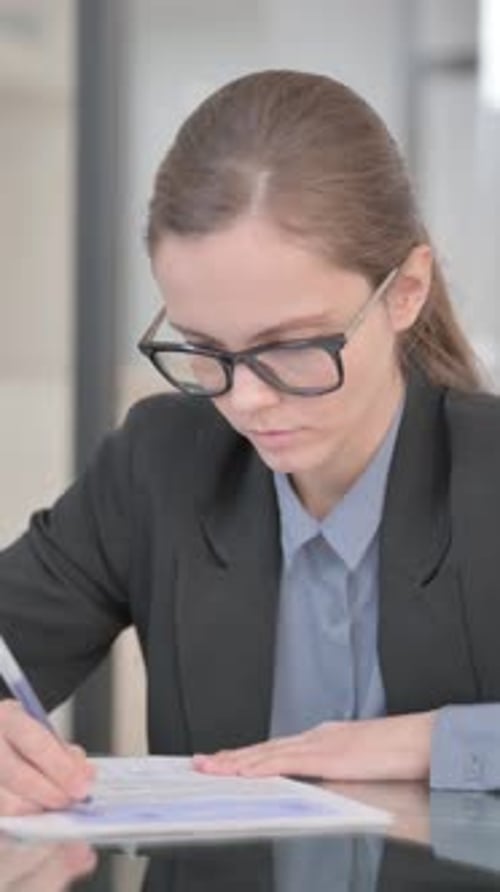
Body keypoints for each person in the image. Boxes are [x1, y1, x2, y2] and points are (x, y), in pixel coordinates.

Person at [0, 68, 499, 818]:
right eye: (205, 348)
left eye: (291, 345)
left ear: (404, 292)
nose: (245, 398)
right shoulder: (160, 463)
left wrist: (444, 742)